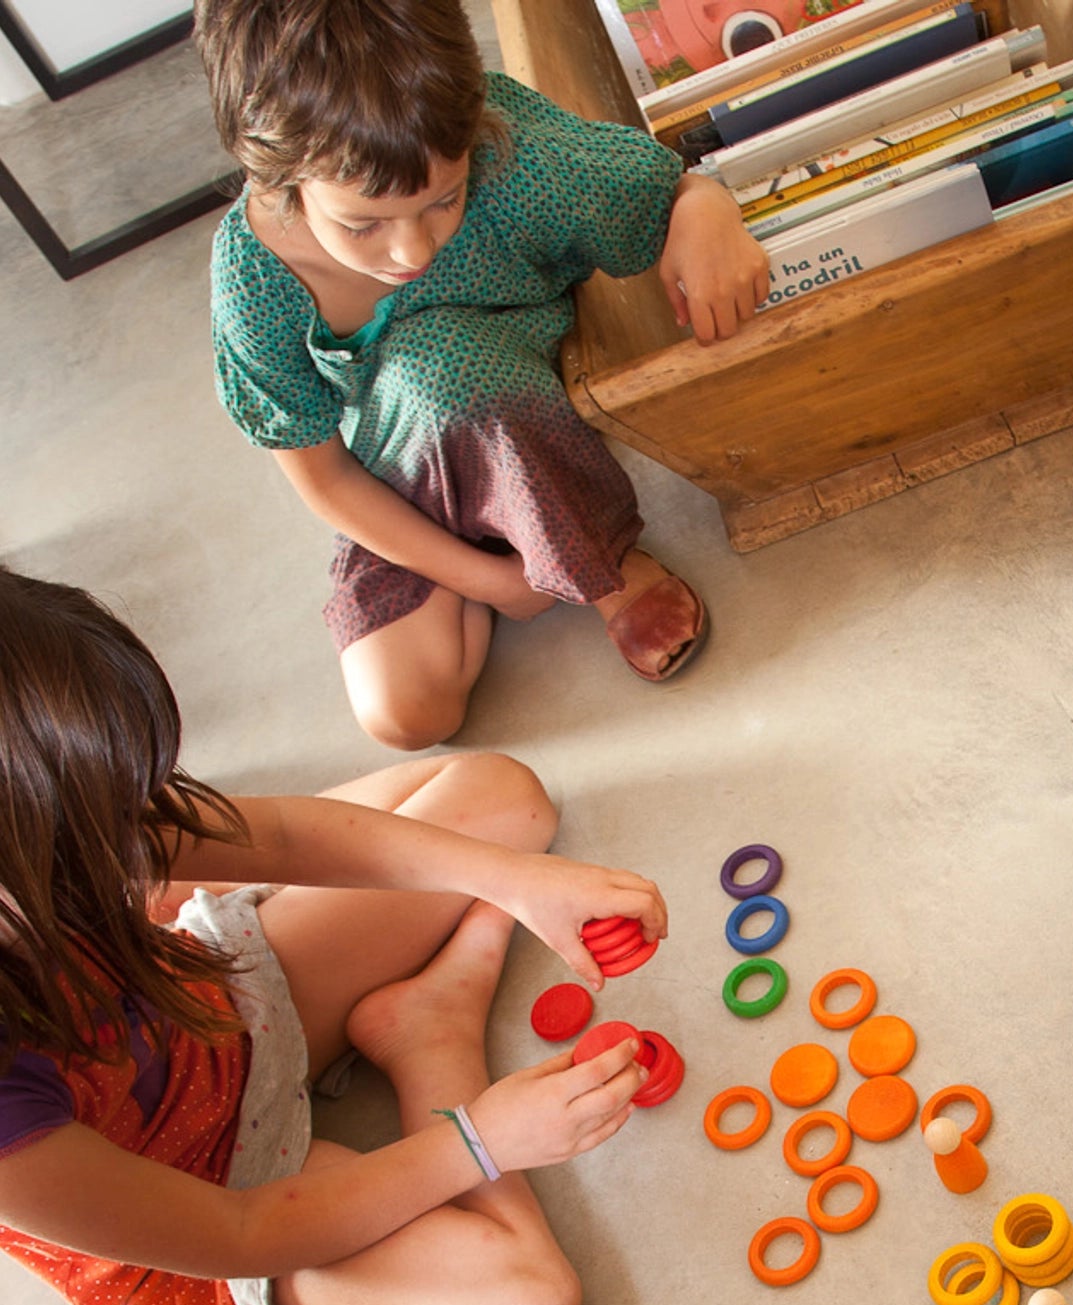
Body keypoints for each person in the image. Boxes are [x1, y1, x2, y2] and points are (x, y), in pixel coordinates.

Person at [0, 563, 660, 1305]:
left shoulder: (61, 818)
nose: (137, 846)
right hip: (228, 1196)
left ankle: (421, 1008)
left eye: (130, 816)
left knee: (501, 804)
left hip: (219, 1012)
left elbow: (272, 835)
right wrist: (480, 1137)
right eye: (95, 850)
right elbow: (244, 1233)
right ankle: (435, 1041)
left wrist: (516, 882)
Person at [195, 0, 773, 750]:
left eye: (444, 200)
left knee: (441, 377)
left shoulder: (516, 153)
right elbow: (325, 477)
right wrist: (484, 581)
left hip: (491, 394)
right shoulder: (252, 278)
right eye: (362, 224)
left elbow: (668, 188)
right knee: (407, 719)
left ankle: (596, 560)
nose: (410, 251)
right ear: (276, 176)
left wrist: (708, 211)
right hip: (394, 462)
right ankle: (509, 540)